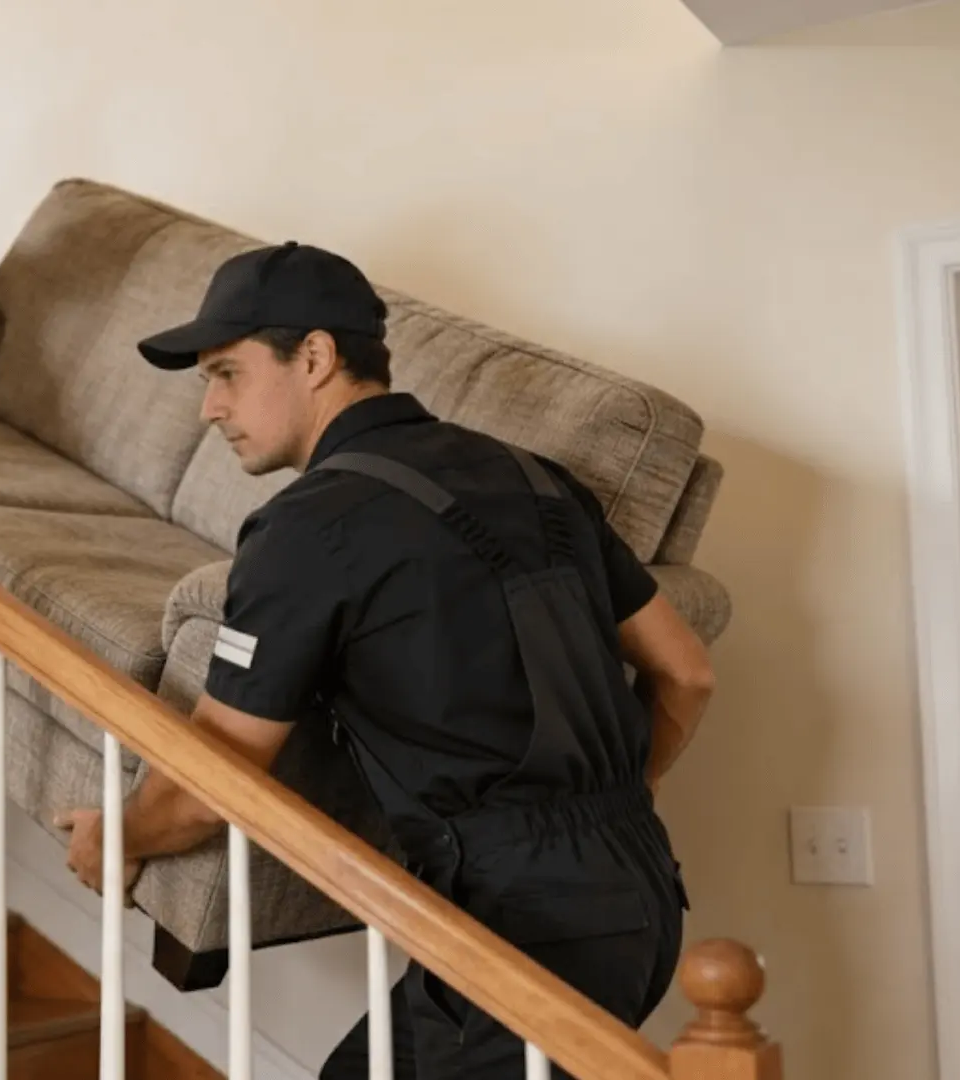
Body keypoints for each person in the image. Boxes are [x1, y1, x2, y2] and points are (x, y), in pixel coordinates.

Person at [56, 242, 716, 1078]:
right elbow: (686, 671)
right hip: (644, 892)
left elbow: (204, 781)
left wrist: (117, 836)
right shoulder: (532, 475)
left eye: (225, 373)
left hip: (524, 925)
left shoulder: (310, 526)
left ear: (317, 357)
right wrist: (624, 796)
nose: (208, 409)